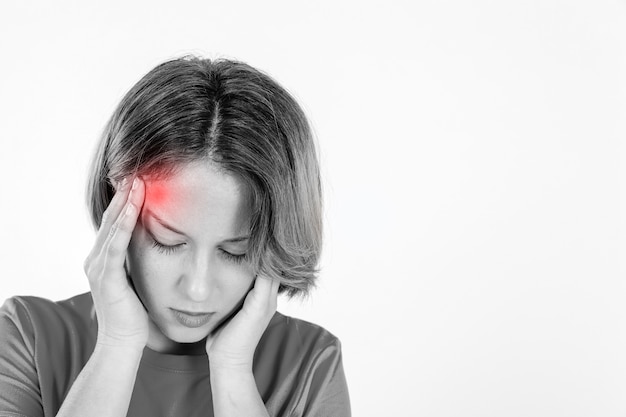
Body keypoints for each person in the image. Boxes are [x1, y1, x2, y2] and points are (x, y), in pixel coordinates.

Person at [0, 56, 351, 417]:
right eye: (167, 241)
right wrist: (117, 345)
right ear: (116, 211)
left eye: (236, 251)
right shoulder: (29, 335)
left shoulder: (310, 365)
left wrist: (232, 371)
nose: (197, 289)